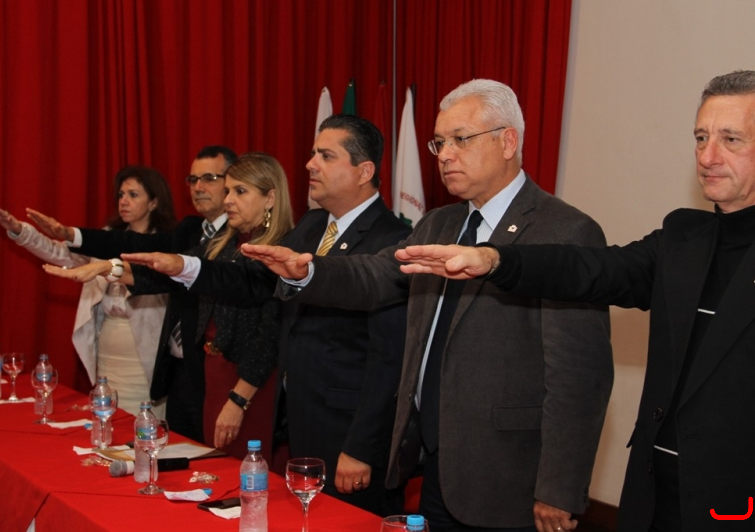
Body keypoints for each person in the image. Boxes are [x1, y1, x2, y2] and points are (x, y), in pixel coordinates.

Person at [241, 80, 614, 531]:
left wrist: (558, 488)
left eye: (461, 139)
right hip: (432, 463)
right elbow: (376, 276)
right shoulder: (440, 222)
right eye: (439, 142)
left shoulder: (565, 231)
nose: (445, 155)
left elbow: (580, 377)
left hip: (509, 475)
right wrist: (307, 272)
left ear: (507, 141)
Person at [395, 69, 755, 532]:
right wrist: (494, 259)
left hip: (736, 496)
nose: (707, 156)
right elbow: (592, 270)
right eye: (701, 138)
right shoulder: (685, 236)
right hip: (658, 495)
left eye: (730, 140)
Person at [123, 114, 411, 515]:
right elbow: (254, 283)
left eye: (326, 156)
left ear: (364, 171)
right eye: (313, 154)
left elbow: (390, 359)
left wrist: (362, 447)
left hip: (348, 433)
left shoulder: (393, 239)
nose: (310, 164)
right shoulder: (313, 225)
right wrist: (184, 267)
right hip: (298, 420)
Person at [46, 152, 291, 462]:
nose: (228, 200)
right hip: (214, 376)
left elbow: (268, 336)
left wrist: (238, 400)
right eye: (228, 190)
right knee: (212, 465)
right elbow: (167, 273)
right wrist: (111, 269)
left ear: (270, 198)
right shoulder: (226, 241)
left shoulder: (283, 249)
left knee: (245, 469)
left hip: (250, 384)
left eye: (239, 191)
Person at [33, 145, 237, 444]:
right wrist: (72, 235)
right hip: (180, 371)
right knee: (178, 452)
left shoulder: (240, 236)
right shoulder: (191, 229)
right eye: (193, 180)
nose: (198, 187)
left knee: (216, 460)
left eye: (209, 178)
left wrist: (110, 268)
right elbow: (133, 245)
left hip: (219, 371)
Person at [0, 165, 177, 415]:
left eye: (133, 195)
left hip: (147, 356)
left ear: (154, 202)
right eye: (121, 195)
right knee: (109, 417)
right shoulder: (106, 239)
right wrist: (20, 231)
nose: (123, 201)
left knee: (143, 422)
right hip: (108, 349)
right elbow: (58, 252)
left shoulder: (169, 246)